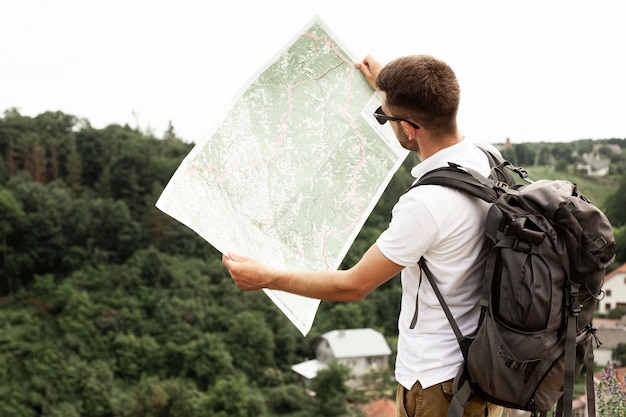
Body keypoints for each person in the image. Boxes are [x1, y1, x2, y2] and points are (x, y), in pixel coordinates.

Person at [222, 54, 504, 417]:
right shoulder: (487, 158)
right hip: (486, 371)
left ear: (410, 127)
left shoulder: (426, 205)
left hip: (438, 384)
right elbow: (423, 113)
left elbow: (352, 286)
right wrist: (387, 89)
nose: (386, 124)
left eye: (386, 118)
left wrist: (266, 278)